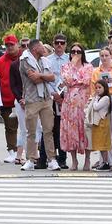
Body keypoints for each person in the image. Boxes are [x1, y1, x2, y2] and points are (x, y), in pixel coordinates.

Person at [18, 39, 59, 171]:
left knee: (48, 130)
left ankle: (52, 159)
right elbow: (34, 79)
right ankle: (30, 159)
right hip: (32, 99)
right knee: (31, 131)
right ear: (35, 48)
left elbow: (53, 77)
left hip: (47, 98)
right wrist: (44, 76)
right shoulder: (25, 60)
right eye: (42, 46)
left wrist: (41, 75)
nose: (44, 49)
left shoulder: (45, 60)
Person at [59, 44, 94, 171]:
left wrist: (75, 79)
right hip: (69, 103)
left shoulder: (88, 66)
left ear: (82, 53)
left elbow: (86, 80)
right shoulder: (65, 66)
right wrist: (73, 66)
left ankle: (88, 159)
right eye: (73, 51)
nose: (75, 53)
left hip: (84, 102)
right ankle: (74, 161)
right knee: (71, 131)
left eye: (78, 51)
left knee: (85, 130)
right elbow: (67, 80)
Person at [38, 35, 70, 169]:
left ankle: (62, 158)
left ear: (65, 44)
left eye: (62, 43)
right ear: (53, 44)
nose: (59, 45)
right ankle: (44, 157)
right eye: (57, 43)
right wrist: (54, 94)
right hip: (50, 97)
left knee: (62, 129)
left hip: (66, 98)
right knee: (48, 127)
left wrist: (62, 95)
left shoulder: (69, 59)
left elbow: (70, 79)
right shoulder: (47, 60)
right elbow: (45, 79)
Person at [0, 35, 23, 163]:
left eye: (12, 44)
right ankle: (12, 151)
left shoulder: (25, 59)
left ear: (17, 45)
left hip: (23, 100)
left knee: (27, 128)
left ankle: (28, 151)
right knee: (10, 128)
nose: (10, 47)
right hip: (6, 102)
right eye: (7, 45)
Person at [87, 79, 112, 168]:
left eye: (100, 87)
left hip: (102, 123)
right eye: (96, 88)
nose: (97, 89)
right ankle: (103, 162)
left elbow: (96, 107)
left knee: (103, 145)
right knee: (100, 144)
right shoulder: (100, 98)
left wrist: (95, 99)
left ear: (105, 88)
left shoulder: (105, 98)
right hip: (98, 123)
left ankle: (106, 162)